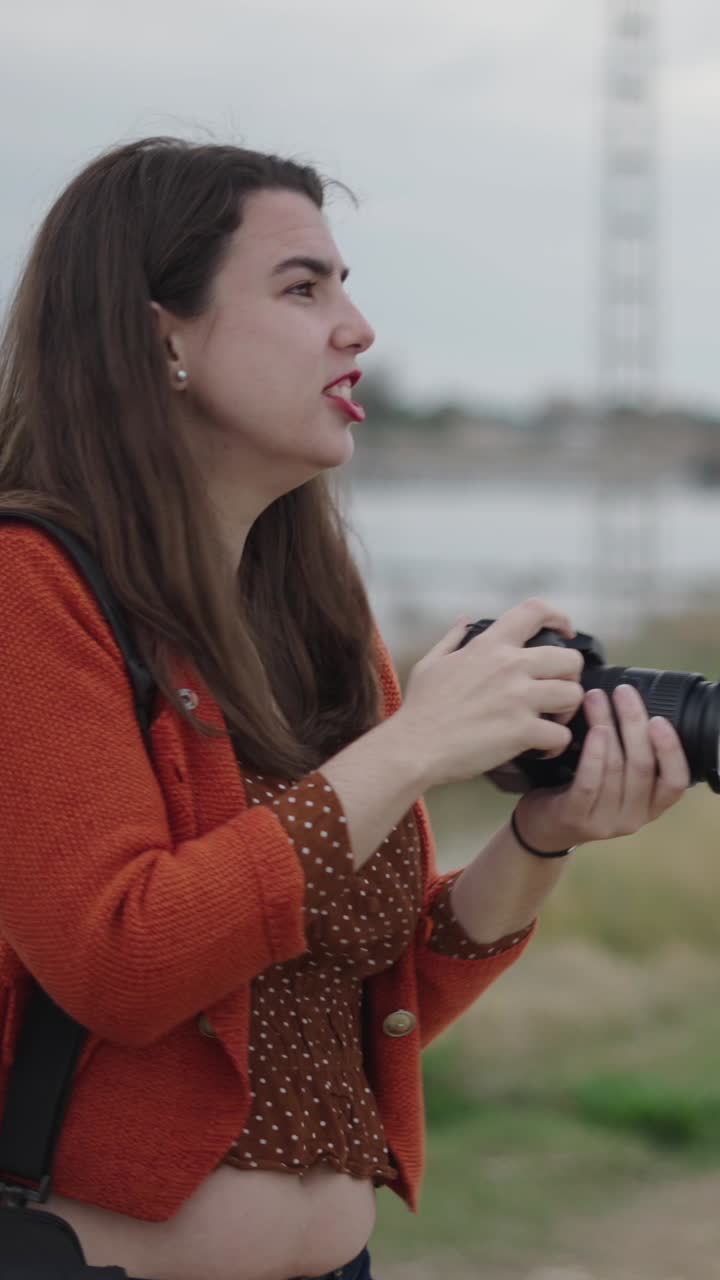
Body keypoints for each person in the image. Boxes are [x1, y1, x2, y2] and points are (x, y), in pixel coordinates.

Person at [0, 137, 690, 1280]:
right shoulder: (33, 586)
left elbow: (379, 992)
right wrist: (415, 746)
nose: (357, 329)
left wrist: (537, 837)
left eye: (347, 284)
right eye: (302, 286)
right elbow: (122, 957)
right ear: (158, 332)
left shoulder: (311, 608)